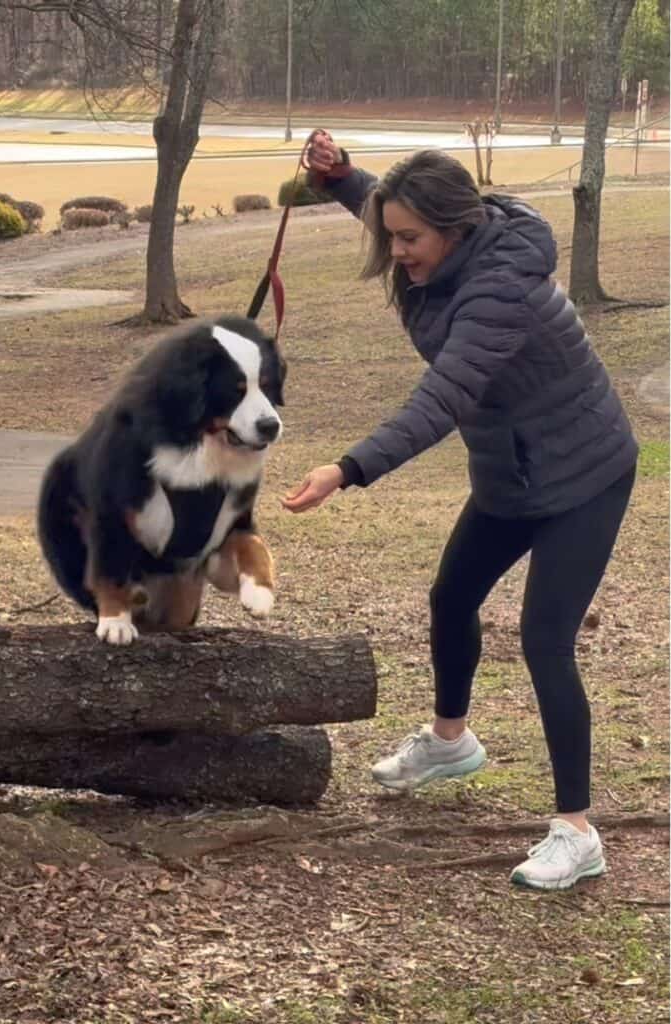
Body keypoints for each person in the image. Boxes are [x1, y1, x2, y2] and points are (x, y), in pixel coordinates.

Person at [281, 137, 638, 891]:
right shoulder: (452, 249)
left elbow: (443, 399)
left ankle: (577, 832)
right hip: (514, 471)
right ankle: (450, 742)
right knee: (451, 599)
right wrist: (345, 180)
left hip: (585, 473)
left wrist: (347, 469)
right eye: (391, 235)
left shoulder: (498, 291)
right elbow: (393, 204)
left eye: (409, 239)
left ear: (454, 229)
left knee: (545, 639)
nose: (397, 251)